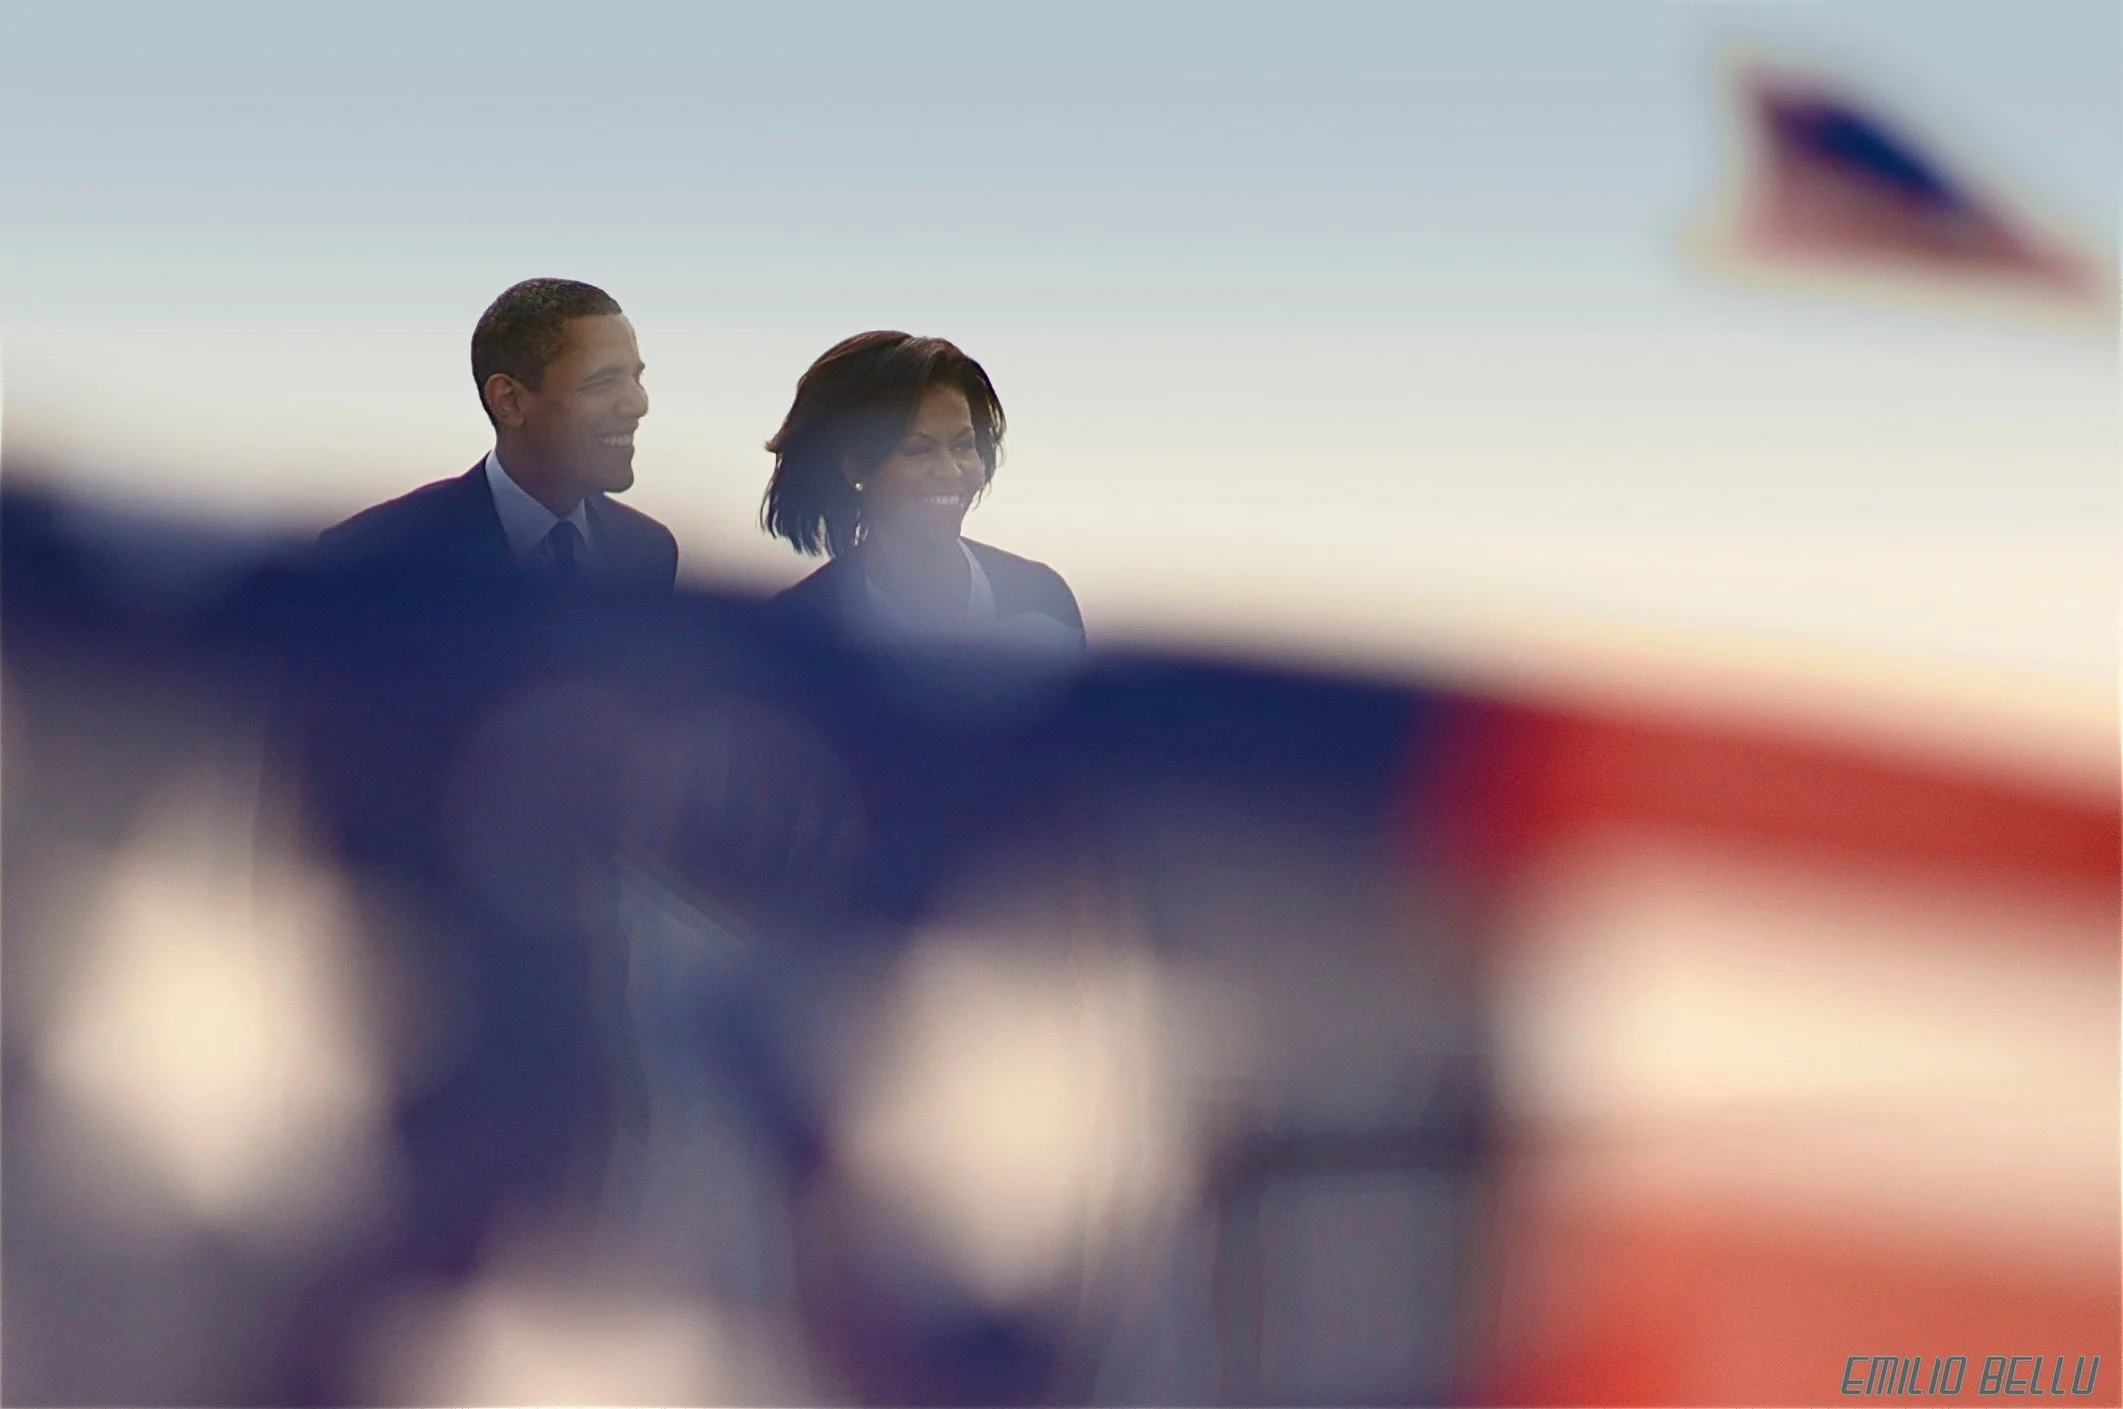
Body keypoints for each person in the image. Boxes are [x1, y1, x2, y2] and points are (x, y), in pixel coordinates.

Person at [317, 277, 676, 594]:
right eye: (601, 382)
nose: (637, 404)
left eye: (636, 379)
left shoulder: (648, 551)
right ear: (509, 400)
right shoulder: (372, 556)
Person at [762, 331, 1083, 648]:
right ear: (855, 467)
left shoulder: (1042, 601)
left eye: (963, 446)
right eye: (919, 450)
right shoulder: (796, 628)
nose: (950, 470)